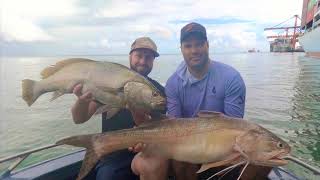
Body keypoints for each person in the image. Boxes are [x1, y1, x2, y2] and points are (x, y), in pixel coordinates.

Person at [71, 37, 167, 180]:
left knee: (154, 165)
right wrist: (82, 101)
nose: (143, 61)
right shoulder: (109, 82)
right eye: (139, 55)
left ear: (153, 61)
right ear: (130, 56)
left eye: (148, 57)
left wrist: (136, 110)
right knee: (107, 176)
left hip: (144, 152)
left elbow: (157, 129)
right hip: (112, 155)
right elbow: (79, 118)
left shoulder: (157, 92)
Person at [165, 22, 247, 180]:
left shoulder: (231, 78)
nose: (194, 50)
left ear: (207, 45)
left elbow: (235, 126)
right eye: (188, 46)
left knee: (261, 160)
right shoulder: (173, 83)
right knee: (179, 159)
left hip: (223, 145)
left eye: (199, 44)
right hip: (189, 144)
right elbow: (174, 127)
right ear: (181, 49)